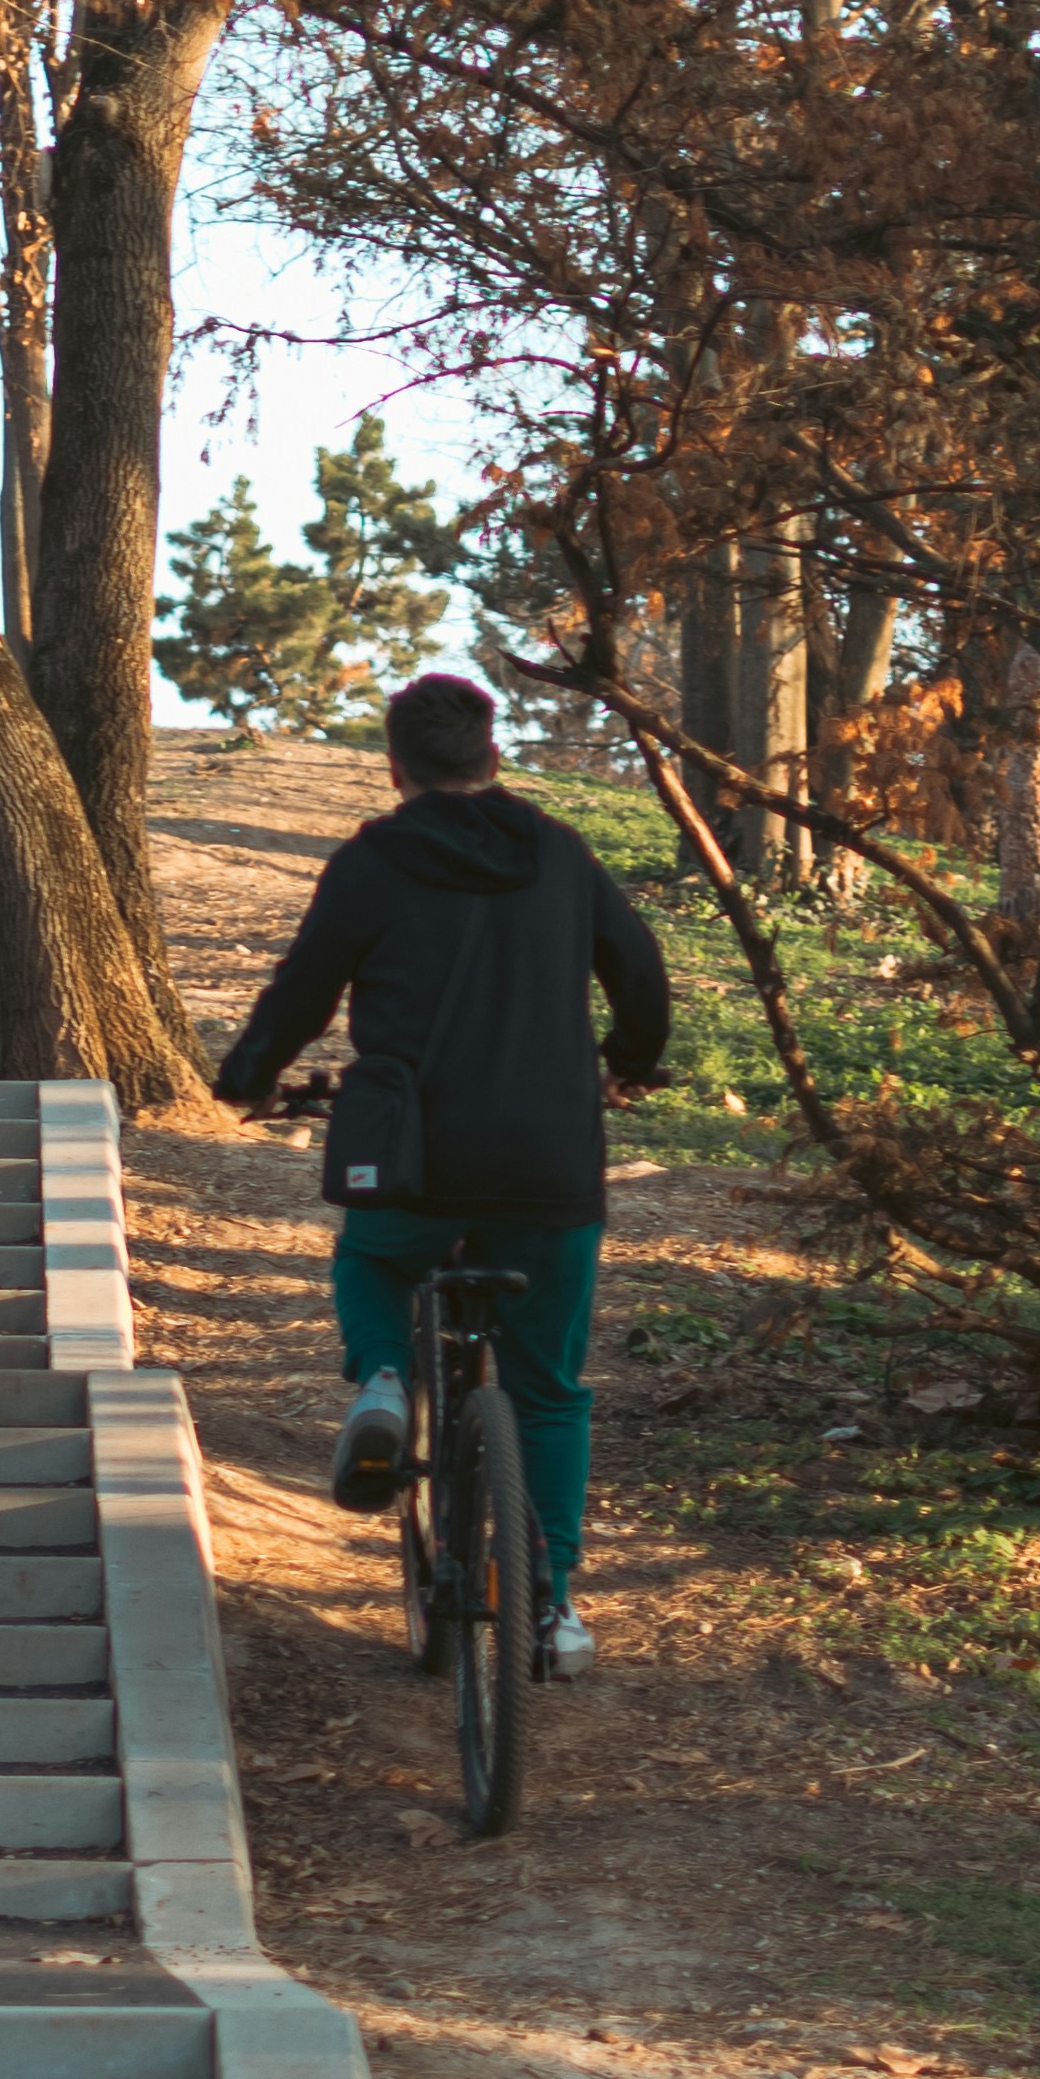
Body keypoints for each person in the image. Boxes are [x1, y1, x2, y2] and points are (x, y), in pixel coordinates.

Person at [207, 667, 671, 1674]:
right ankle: (550, 1609)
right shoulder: (558, 851)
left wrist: (248, 1076)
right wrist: (632, 1061)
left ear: (395, 769)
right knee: (547, 1388)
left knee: (373, 1264)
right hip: (547, 1159)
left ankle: (382, 1379)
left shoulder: (375, 862)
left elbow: (305, 985)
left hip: (411, 1154)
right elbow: (639, 968)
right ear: (492, 755)